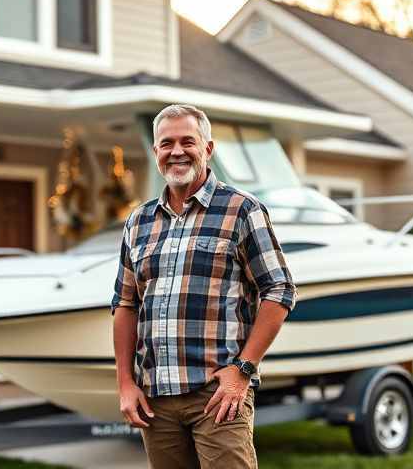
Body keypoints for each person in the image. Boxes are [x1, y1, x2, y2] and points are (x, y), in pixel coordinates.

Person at [111, 104, 297, 468]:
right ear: (155, 153)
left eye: (187, 142)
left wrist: (243, 369)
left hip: (217, 394)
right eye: (166, 144)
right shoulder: (138, 221)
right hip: (156, 398)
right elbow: (125, 304)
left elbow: (279, 290)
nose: (176, 151)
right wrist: (125, 383)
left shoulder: (242, 209)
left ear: (207, 149)